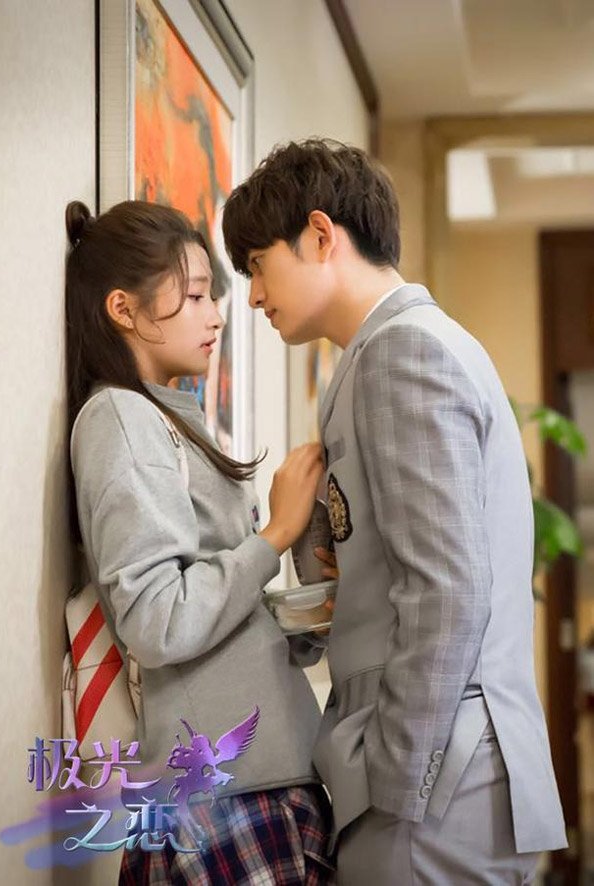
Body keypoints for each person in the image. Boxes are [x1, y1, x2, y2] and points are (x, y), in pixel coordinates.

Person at [222, 139, 568, 884]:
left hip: (434, 783)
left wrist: (396, 779)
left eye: (256, 264)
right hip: (440, 771)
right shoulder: (386, 352)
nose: (253, 296)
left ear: (321, 235)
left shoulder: (402, 352)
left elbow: (448, 591)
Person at [64, 199, 336, 885]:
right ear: (123, 309)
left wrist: (307, 602)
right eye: (193, 297)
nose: (216, 315)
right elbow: (158, 619)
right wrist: (274, 533)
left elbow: (217, 613)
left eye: (211, 295)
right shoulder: (121, 417)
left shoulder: (164, 417)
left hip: (255, 785)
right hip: (225, 800)